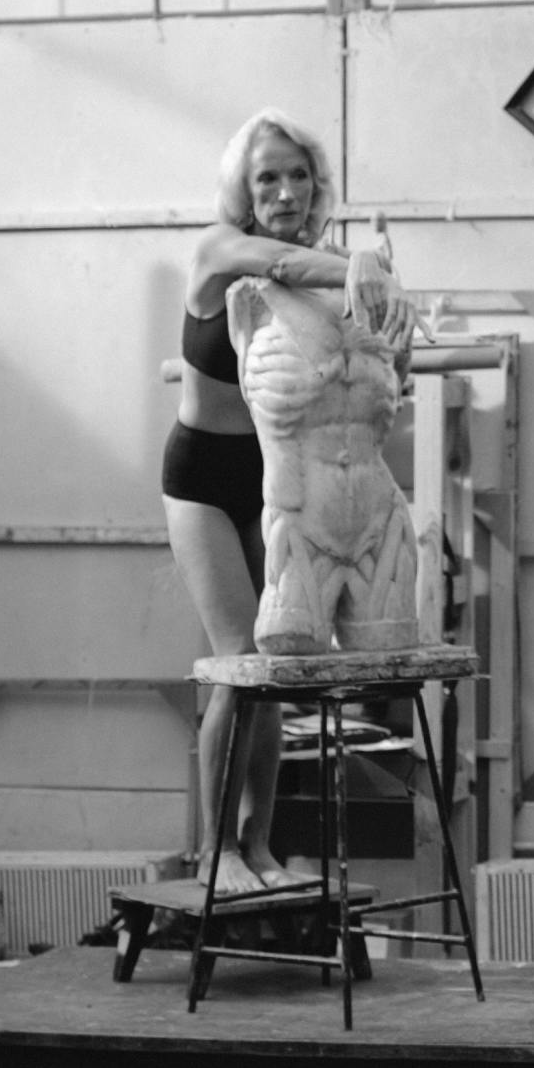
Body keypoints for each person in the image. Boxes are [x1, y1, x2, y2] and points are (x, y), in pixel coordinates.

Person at [163, 111, 404, 895]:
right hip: (203, 475)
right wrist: (358, 264)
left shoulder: (336, 274)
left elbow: (376, 355)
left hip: (280, 478)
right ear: (244, 186)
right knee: (237, 659)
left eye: (298, 176)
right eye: (267, 176)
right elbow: (282, 262)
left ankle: (257, 844)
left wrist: (387, 311)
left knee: (277, 665)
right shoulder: (219, 250)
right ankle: (211, 853)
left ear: (317, 185)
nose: (285, 190)